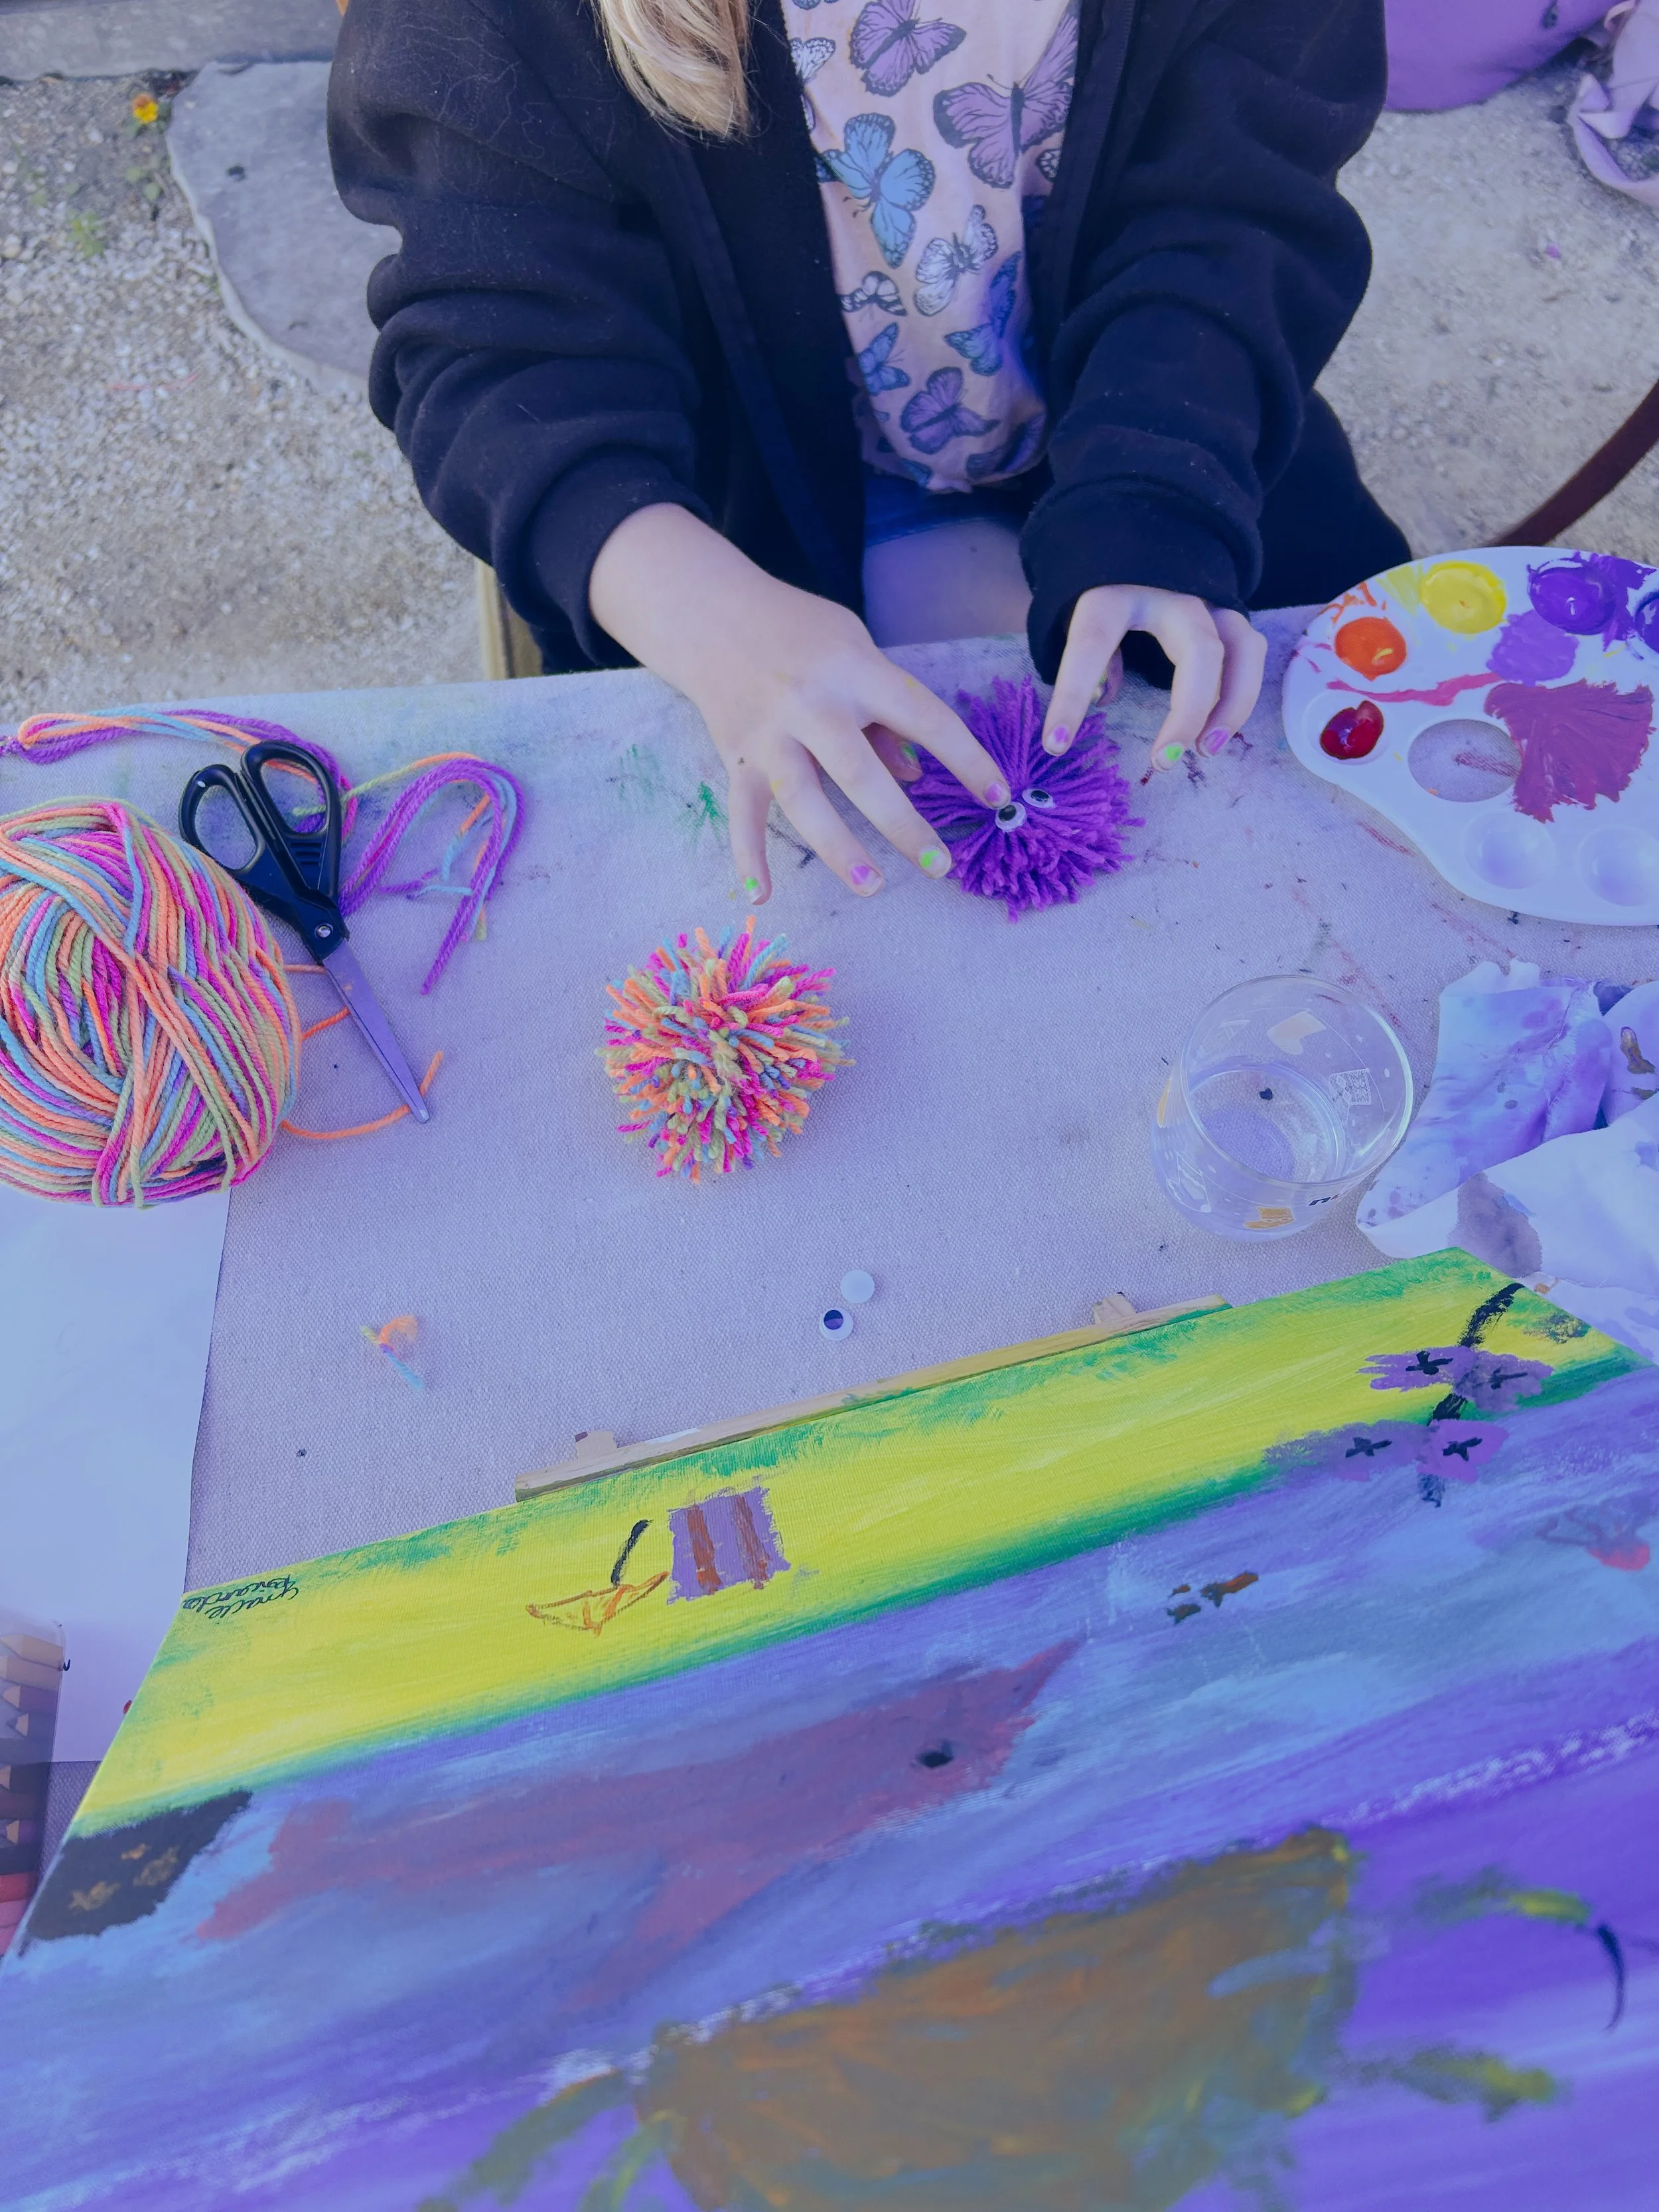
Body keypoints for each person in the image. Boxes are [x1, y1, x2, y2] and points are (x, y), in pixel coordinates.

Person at [330, 0, 1409, 901]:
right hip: (733, 528)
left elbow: (1238, 223)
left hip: (1172, 427)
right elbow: (500, 354)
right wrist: (704, 612)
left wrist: (1155, 492)